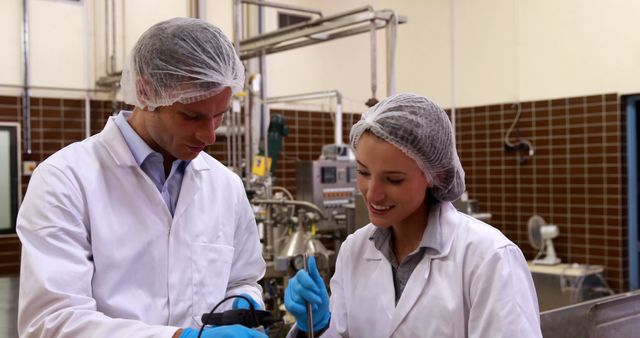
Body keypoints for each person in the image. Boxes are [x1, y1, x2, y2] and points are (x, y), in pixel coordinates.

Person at [17, 17, 267, 338]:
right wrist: (181, 337)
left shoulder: (225, 185)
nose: (209, 135)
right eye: (191, 116)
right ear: (146, 91)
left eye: (219, 115)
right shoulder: (64, 179)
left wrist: (242, 302)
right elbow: (51, 321)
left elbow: (242, 279)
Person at [284, 93, 542, 337]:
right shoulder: (354, 251)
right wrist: (317, 327)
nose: (372, 194)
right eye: (363, 173)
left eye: (393, 180)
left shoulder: (489, 258)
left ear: (435, 175)